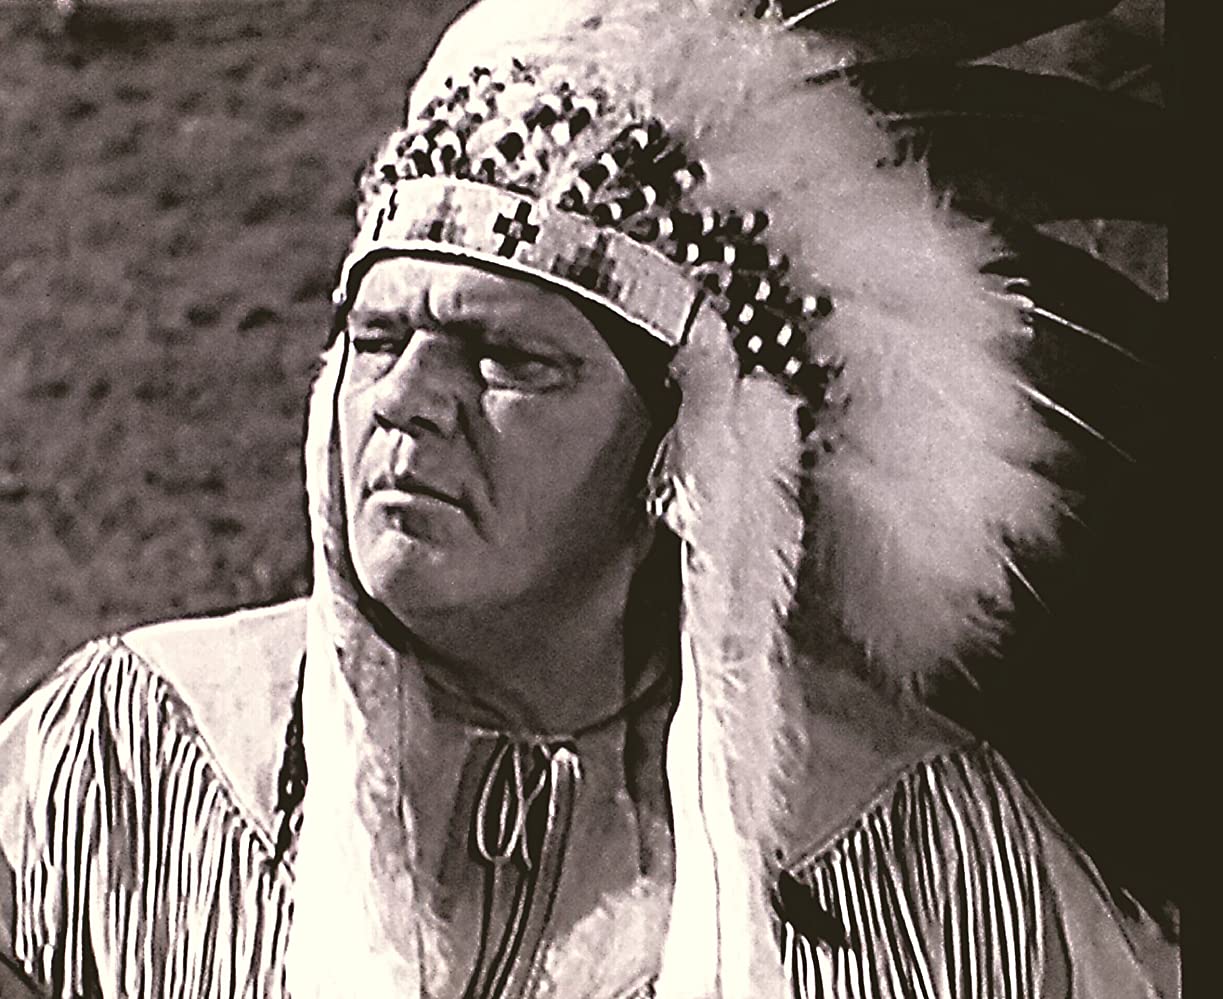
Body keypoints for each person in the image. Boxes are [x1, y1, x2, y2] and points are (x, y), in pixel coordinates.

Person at [0, 1, 1176, 996]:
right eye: (375, 339)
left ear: (680, 458)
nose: (404, 400)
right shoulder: (128, 760)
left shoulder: (920, 853)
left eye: (508, 360)